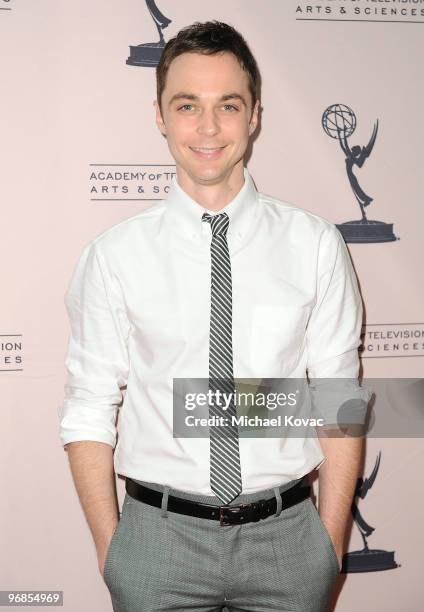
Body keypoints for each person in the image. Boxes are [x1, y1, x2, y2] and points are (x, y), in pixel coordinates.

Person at [59, 20, 371, 612]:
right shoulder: (114, 255)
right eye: (187, 105)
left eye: (228, 105)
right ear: (160, 115)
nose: (207, 127)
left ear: (254, 115)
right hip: (157, 541)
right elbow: (88, 405)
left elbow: (337, 400)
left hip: (289, 540)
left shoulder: (315, 244)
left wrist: (327, 547)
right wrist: (114, 552)